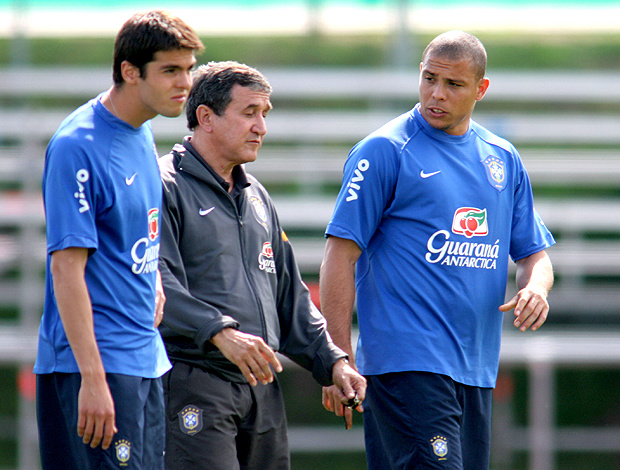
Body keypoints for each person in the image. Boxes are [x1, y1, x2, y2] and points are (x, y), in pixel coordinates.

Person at [320, 31, 555, 470]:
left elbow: (534, 255)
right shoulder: (385, 150)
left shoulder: (501, 157)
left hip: (476, 368)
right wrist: (336, 357)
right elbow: (340, 253)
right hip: (406, 364)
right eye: (429, 79)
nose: (436, 94)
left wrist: (536, 289)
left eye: (453, 85)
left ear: (481, 89)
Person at [157, 61, 366, 470]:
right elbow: (153, 281)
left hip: (262, 387)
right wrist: (219, 331)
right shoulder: (162, 185)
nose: (261, 127)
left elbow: (291, 298)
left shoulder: (257, 197)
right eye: (250, 112)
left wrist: (334, 361)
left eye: (265, 114)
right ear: (206, 118)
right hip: (194, 381)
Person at [34, 10, 203, 470]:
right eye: (171, 70)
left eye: (188, 69)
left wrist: (158, 284)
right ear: (130, 71)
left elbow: (139, 228)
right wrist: (92, 377)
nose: (184, 82)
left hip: (145, 359)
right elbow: (66, 268)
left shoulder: (142, 132)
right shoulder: (78, 146)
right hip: (97, 369)